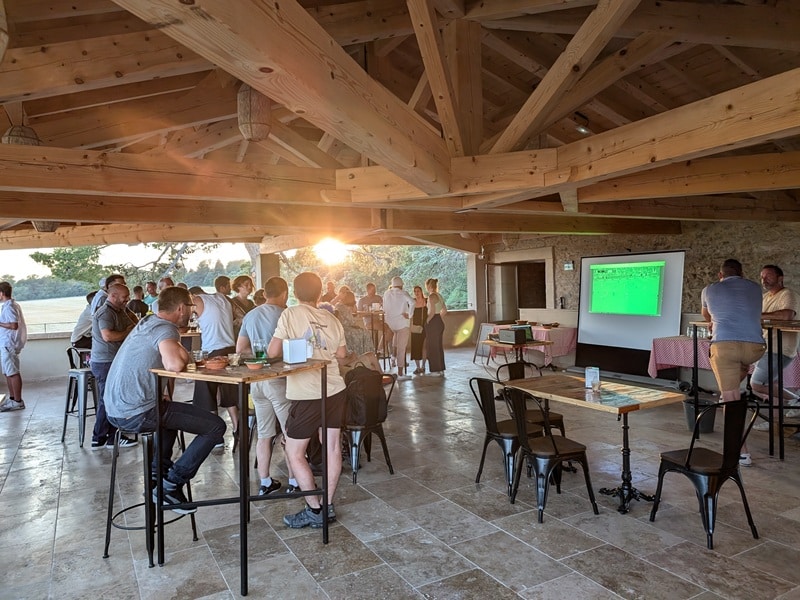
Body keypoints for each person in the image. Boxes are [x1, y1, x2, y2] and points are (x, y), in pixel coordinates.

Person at [104, 286, 226, 513]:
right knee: (216, 426)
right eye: (191, 307)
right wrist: (183, 352)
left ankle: (156, 478)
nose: (193, 312)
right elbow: (174, 364)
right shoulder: (165, 328)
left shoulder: (147, 322)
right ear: (181, 308)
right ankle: (171, 485)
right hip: (137, 411)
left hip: (115, 410)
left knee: (169, 414)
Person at [268, 272, 347, 528]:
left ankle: (315, 509)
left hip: (306, 392)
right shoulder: (332, 318)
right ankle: (328, 505)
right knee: (332, 447)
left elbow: (272, 351)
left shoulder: (290, 314)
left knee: (294, 451)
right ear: (320, 292)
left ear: (294, 292)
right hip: (334, 387)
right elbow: (342, 354)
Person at [701, 259, 765, 466]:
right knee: (736, 374)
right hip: (755, 348)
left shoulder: (709, 289)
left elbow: (707, 316)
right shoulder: (755, 288)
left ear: (721, 275)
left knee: (731, 400)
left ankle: (741, 452)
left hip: (725, 346)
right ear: (741, 273)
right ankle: (729, 391)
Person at [235, 276, 294, 495]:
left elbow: (240, 349)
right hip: (279, 379)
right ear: (285, 294)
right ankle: (295, 481)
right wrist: (272, 356)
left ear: (264, 293)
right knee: (290, 434)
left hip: (257, 381)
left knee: (264, 433)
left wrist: (259, 356)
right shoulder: (286, 314)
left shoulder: (251, 315)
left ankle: (265, 482)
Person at [90, 283, 138, 449]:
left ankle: (112, 436)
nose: (127, 299)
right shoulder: (105, 312)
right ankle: (100, 437)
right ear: (113, 296)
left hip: (114, 360)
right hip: (105, 361)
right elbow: (108, 336)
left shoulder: (120, 310)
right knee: (108, 400)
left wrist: (129, 321)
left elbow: (135, 323)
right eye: (124, 296)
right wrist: (127, 332)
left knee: (113, 398)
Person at [750, 264, 800, 425]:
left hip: (780, 348)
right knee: (773, 385)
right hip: (765, 346)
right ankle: (775, 423)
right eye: (762, 277)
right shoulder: (765, 297)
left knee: (757, 384)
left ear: (780, 278)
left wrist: (758, 315)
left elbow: (786, 316)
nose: (764, 279)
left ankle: (797, 400)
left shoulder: (788, 294)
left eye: (768, 276)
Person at [192, 276, 238, 439]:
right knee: (229, 391)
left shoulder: (197, 301)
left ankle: (214, 434)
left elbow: (185, 322)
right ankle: (238, 428)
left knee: (206, 393)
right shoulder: (223, 298)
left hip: (212, 352)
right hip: (231, 350)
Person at [0, 282, 27, 412]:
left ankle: (17, 401)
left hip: (9, 344)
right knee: (8, 372)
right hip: (7, 344)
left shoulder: (9, 307)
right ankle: (12, 399)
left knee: (13, 372)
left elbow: (14, 325)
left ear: (1, 293)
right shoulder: (11, 305)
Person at [383, 276, 414, 377]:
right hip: (402, 323)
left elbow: (384, 308)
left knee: (395, 341)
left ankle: (392, 359)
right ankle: (400, 373)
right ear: (401, 285)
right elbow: (413, 302)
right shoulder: (403, 293)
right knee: (401, 348)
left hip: (390, 324)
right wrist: (410, 315)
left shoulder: (386, 293)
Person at [333, 286, 373, 356]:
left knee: (363, 332)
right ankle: (366, 354)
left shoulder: (338, 305)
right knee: (365, 333)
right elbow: (351, 322)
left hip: (342, 329)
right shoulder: (344, 308)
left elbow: (354, 312)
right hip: (347, 329)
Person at [425, 278, 447, 375]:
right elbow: (445, 310)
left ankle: (435, 370)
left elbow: (432, 312)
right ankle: (441, 369)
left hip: (433, 322)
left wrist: (427, 320)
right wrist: (439, 318)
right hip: (439, 321)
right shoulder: (439, 295)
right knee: (438, 346)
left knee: (432, 347)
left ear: (428, 286)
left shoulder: (431, 296)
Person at [410, 285, 427, 375]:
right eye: (415, 291)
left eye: (418, 291)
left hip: (425, 327)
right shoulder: (412, 302)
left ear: (421, 292)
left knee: (424, 346)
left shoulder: (426, 301)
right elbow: (409, 314)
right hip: (415, 328)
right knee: (415, 347)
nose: (416, 293)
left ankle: (423, 366)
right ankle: (417, 367)